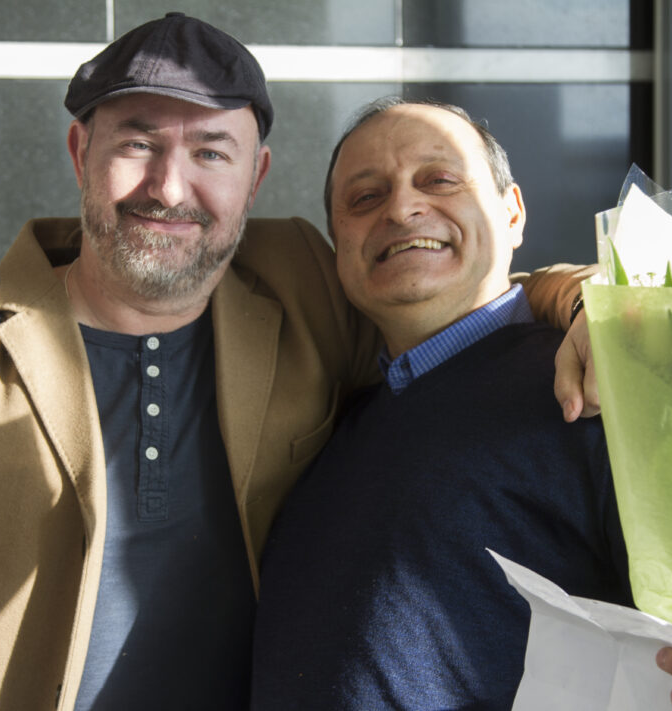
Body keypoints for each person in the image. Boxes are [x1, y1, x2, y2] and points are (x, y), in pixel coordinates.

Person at [0, 15, 591, 710]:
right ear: (80, 152)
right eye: (138, 143)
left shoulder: (303, 285)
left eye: (210, 153)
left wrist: (590, 304)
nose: (168, 187)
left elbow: (452, 287)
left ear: (255, 177)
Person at [250, 97, 636, 710]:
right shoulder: (329, 422)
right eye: (365, 197)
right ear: (338, 246)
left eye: (439, 180)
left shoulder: (596, 384)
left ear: (512, 214)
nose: (401, 208)